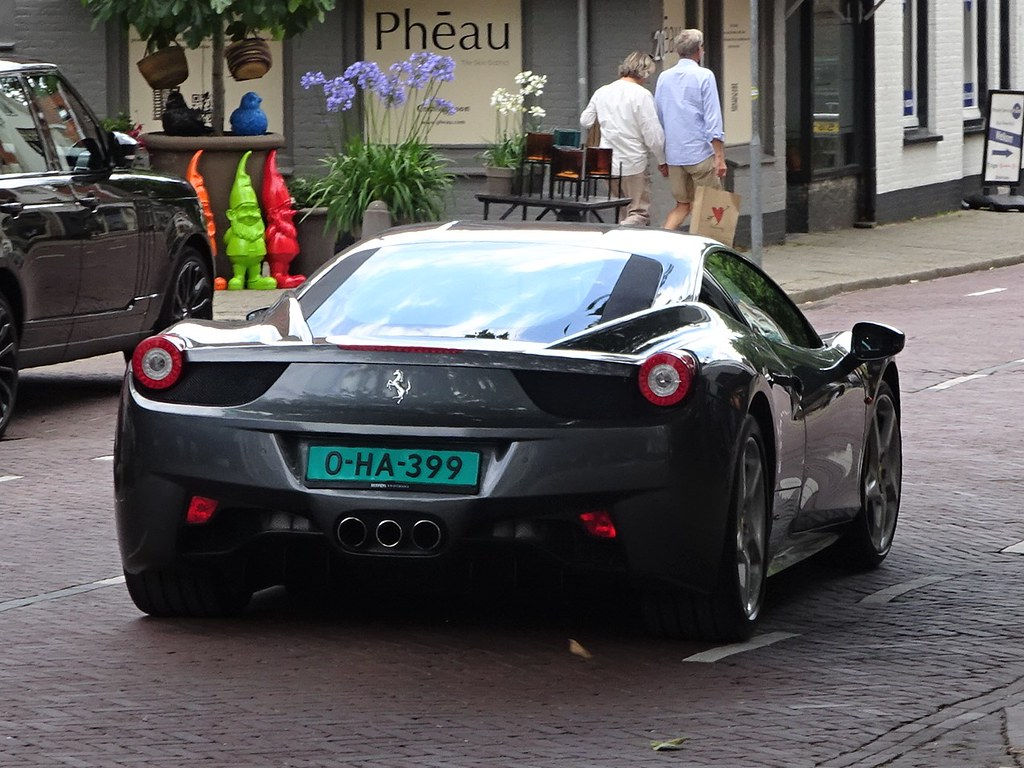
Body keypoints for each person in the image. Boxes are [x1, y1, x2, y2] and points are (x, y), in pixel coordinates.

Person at [579, 51, 666, 227]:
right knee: (638, 213)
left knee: (622, 208)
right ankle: (624, 239)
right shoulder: (642, 95)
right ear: (644, 72)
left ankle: (621, 239)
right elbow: (653, 135)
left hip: (608, 163)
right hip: (633, 161)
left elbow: (585, 120)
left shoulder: (602, 92)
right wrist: (662, 159)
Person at [654, 29, 727, 231]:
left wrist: (663, 157)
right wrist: (719, 157)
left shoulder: (664, 77)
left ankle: (661, 245)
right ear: (699, 50)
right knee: (711, 209)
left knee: (682, 205)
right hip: (700, 153)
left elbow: (658, 117)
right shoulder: (704, 76)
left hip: (675, 155)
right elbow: (713, 118)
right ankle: (706, 255)